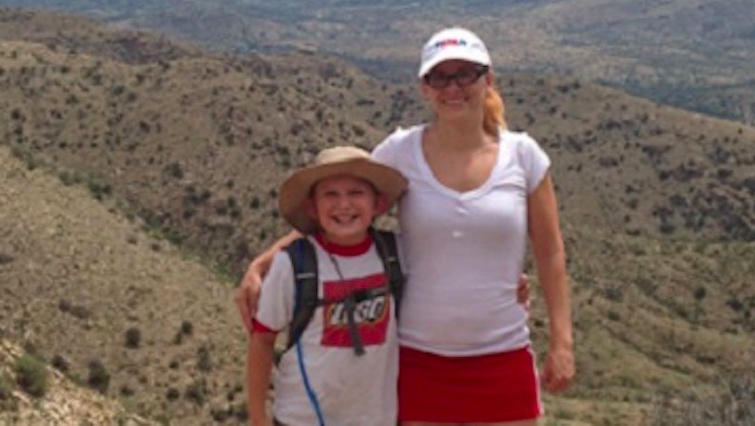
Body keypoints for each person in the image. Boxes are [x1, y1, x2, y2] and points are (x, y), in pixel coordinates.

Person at [239, 27, 574, 425]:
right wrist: (264, 262)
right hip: (419, 360)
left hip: (504, 354)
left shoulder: (524, 156)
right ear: (424, 88)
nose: (453, 87)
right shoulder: (401, 152)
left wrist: (562, 342)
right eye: (440, 77)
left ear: (488, 79)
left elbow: (550, 251)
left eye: (465, 74)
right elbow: (344, 210)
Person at [245, 146, 409, 426]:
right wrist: (258, 418)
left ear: (378, 204)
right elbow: (262, 340)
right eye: (330, 194)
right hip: (302, 418)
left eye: (356, 193)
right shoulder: (293, 264)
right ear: (312, 208)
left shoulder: (397, 254)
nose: (344, 205)